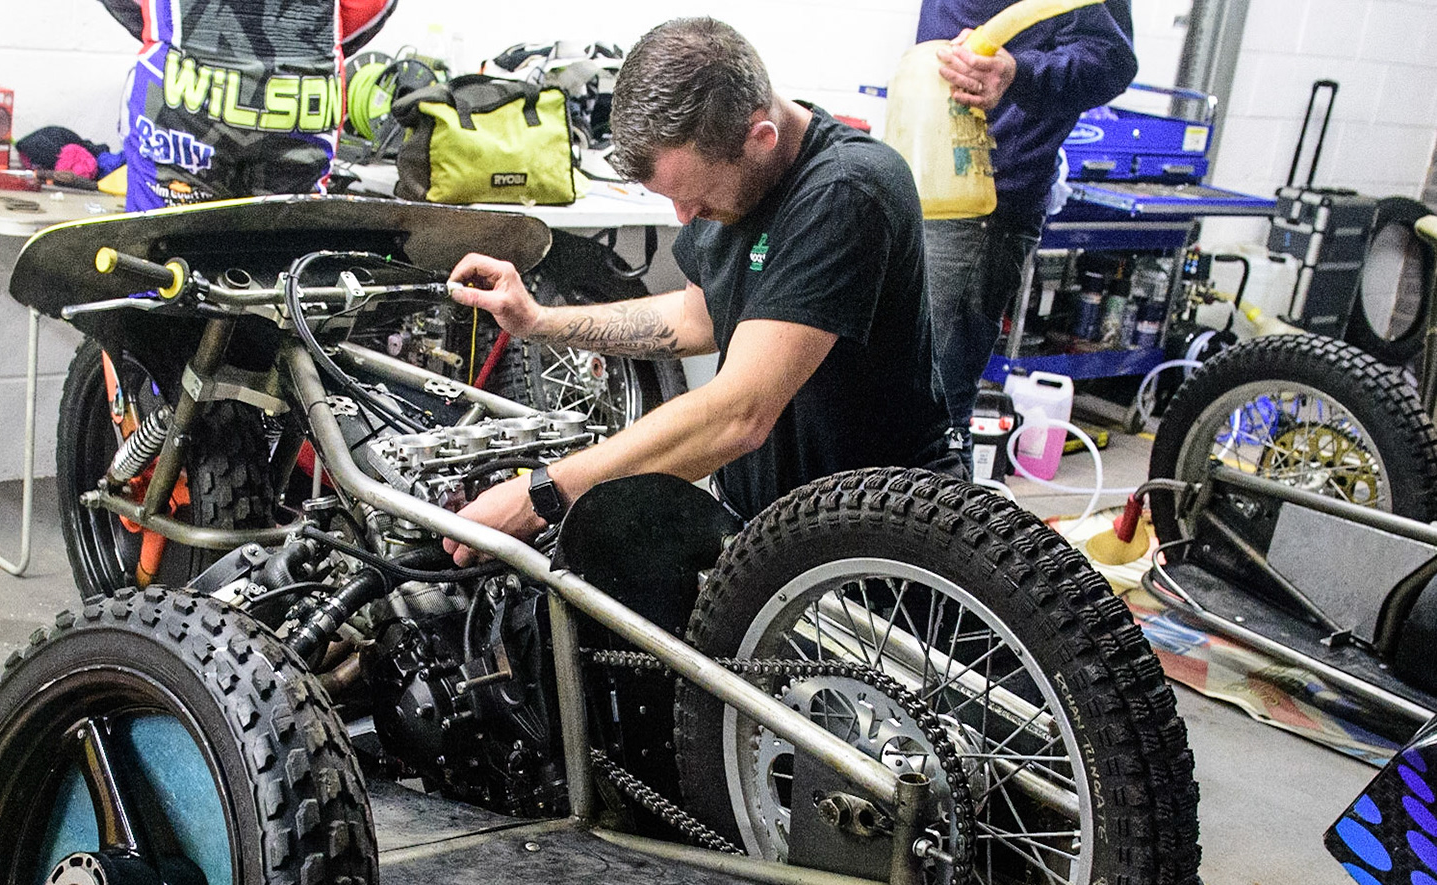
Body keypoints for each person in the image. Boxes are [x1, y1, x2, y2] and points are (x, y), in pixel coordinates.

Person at [442, 17, 956, 565]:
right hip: (774, 528)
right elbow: (697, 317)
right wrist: (541, 321)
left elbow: (738, 415)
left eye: (697, 199)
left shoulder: (847, 191)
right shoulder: (736, 174)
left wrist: (540, 495)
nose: (685, 219)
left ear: (761, 139)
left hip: (881, 539)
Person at [916, 0, 1136, 439]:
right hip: (924, 182)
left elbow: (1111, 58)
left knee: (933, 411)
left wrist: (1019, 73)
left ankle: (933, 506)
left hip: (984, 199)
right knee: (904, 393)